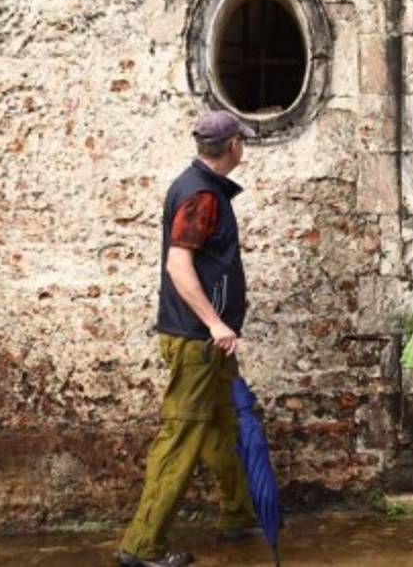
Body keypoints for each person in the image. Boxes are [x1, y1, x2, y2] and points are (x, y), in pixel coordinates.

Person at [117, 110, 259, 567]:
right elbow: (179, 265)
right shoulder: (201, 195)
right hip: (199, 341)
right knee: (181, 435)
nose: (244, 147)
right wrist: (215, 324)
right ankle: (142, 546)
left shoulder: (201, 187)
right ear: (232, 145)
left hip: (207, 343)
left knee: (225, 425)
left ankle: (238, 514)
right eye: (243, 140)